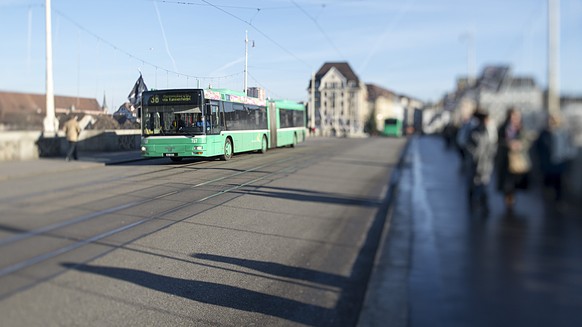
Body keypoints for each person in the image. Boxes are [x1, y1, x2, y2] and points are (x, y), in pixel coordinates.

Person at [535, 114, 576, 203]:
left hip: (559, 161)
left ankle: (558, 201)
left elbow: (569, 146)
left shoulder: (563, 132)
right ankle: (549, 201)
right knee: (547, 182)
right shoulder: (543, 133)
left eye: (553, 120)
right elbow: (538, 147)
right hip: (546, 163)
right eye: (550, 120)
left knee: (559, 183)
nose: (551, 122)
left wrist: (566, 155)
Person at [495, 108, 531, 209]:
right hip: (505, 159)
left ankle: (512, 198)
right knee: (507, 182)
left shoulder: (522, 128)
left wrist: (521, 144)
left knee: (516, 181)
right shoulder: (503, 128)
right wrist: (508, 144)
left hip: (518, 160)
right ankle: (508, 200)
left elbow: (527, 141)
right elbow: (498, 141)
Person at [465, 108, 497, 210]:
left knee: (484, 183)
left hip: (485, 163)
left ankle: (484, 203)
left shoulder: (488, 131)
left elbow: (492, 146)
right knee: (474, 182)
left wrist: (489, 156)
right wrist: (475, 156)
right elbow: (468, 146)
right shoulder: (473, 131)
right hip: (475, 162)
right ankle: (472, 201)